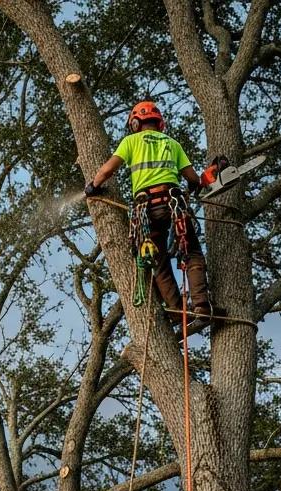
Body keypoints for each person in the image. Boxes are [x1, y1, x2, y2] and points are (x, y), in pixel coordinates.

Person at [85, 100, 218, 327]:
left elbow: (108, 170)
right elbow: (193, 179)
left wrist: (93, 186)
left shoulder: (131, 141)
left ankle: (177, 310)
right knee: (192, 252)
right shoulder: (172, 144)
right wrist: (199, 182)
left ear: (135, 123)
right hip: (174, 204)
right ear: (159, 122)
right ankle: (202, 305)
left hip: (147, 210)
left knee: (158, 260)